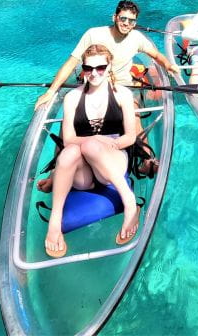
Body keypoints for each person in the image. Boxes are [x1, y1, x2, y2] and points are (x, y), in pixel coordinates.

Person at [34, 0, 178, 193]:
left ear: (135, 22)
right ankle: (56, 173)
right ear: (115, 17)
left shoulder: (136, 38)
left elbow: (156, 55)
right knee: (67, 123)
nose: (126, 23)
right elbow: (71, 63)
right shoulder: (94, 34)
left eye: (131, 21)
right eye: (123, 18)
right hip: (93, 83)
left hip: (122, 87)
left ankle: (146, 160)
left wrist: (168, 65)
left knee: (134, 115)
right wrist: (51, 91)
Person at [44, 44, 140, 258]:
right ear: (83, 69)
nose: (94, 73)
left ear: (109, 66)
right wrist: (95, 139)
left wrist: (106, 143)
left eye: (100, 68)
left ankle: (130, 204)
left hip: (112, 155)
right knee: (69, 152)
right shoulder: (72, 97)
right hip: (84, 168)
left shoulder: (123, 94)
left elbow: (130, 137)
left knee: (90, 146)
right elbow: (68, 139)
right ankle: (55, 221)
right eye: (88, 68)